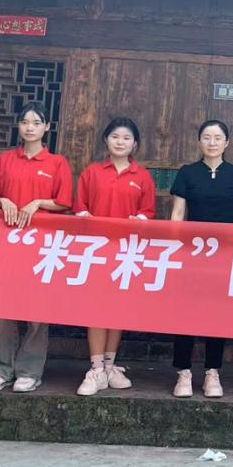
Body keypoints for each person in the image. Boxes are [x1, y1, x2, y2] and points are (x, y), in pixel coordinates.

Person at [0, 101, 72, 393]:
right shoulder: (6, 160)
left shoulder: (57, 163)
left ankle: (30, 371)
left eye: (36, 122)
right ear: (18, 126)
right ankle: (1, 368)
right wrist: (2, 201)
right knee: (3, 306)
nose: (30, 128)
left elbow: (65, 202)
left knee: (36, 310)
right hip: (7, 245)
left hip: (42, 248)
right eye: (25, 122)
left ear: (47, 127)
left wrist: (38, 203)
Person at [73, 117, 156, 396]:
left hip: (126, 253)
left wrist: (139, 220)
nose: (121, 142)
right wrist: (85, 217)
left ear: (135, 144)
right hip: (96, 252)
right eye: (115, 137)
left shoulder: (142, 176)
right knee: (97, 308)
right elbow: (80, 208)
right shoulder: (92, 172)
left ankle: (110, 365)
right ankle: (96, 368)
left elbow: (148, 212)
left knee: (117, 308)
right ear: (106, 140)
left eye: (127, 138)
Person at [169, 119, 233, 398]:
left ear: (227, 143)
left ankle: (212, 372)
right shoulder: (187, 173)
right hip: (191, 254)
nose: (212, 142)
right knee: (185, 312)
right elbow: (178, 213)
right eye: (207, 137)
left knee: (216, 312)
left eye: (218, 138)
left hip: (223, 255)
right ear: (199, 141)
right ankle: (183, 372)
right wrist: (175, 247)